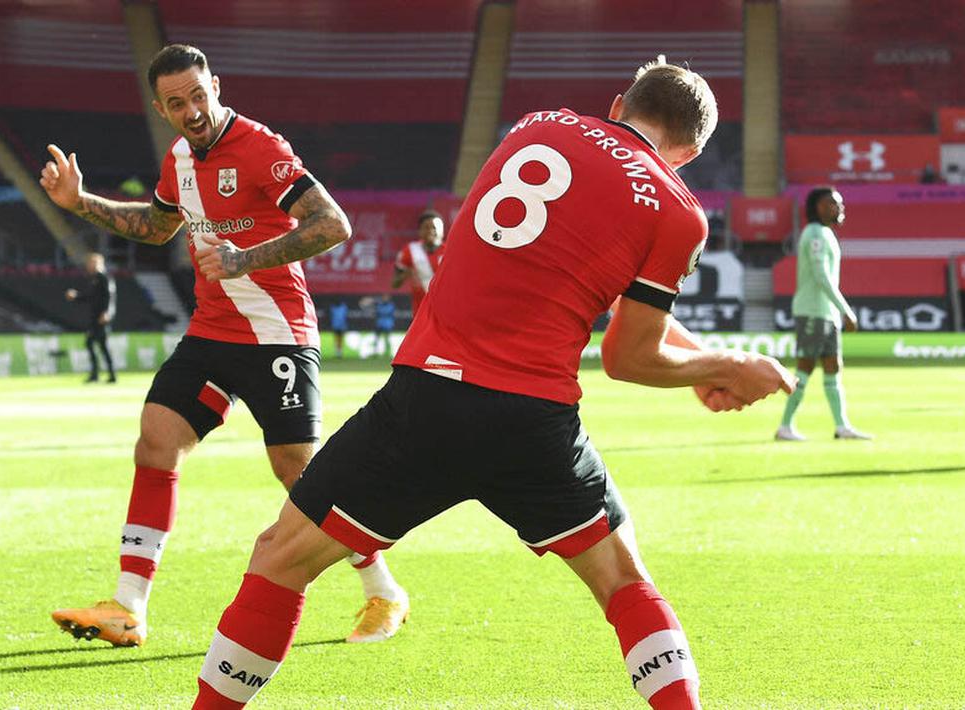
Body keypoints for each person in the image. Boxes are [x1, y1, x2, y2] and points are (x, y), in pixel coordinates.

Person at [189, 57, 794, 709]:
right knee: (624, 585)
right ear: (693, 151)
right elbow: (627, 357)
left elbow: (569, 269)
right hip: (531, 422)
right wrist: (727, 367)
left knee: (282, 559)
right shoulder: (677, 211)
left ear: (618, 104)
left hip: (427, 402)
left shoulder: (538, 125)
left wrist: (702, 360)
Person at [38, 44, 408, 648]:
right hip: (211, 331)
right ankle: (128, 606)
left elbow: (332, 224)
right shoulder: (179, 159)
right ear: (162, 109)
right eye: (177, 103)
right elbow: (157, 227)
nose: (193, 111)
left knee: (299, 472)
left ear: (216, 84)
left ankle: (383, 590)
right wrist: (80, 203)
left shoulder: (261, 147)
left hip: (276, 332)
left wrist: (243, 259)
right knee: (156, 441)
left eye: (199, 95)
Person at [775, 187, 871, 441]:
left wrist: (837, 312)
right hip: (812, 311)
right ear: (818, 207)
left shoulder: (825, 234)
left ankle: (842, 426)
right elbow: (821, 277)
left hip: (826, 312)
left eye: (839, 204)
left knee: (833, 366)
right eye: (832, 203)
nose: (839, 208)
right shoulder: (814, 234)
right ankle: (785, 426)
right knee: (805, 367)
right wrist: (846, 310)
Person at [65, 252, 117, 384]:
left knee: (96, 344)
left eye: (92, 262)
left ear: (99, 263)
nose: (89, 265)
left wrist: (106, 313)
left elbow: (110, 297)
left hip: (101, 318)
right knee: (98, 345)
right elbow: (90, 297)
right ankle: (105, 375)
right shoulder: (94, 279)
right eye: (89, 263)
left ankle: (103, 375)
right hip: (95, 317)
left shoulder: (104, 278)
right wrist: (76, 296)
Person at [391, 209, 446, 315]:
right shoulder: (410, 251)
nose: (431, 231)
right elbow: (395, 284)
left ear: (442, 231)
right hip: (420, 311)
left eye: (434, 227)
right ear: (420, 231)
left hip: (445, 308)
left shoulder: (449, 252)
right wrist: (405, 275)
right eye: (426, 227)